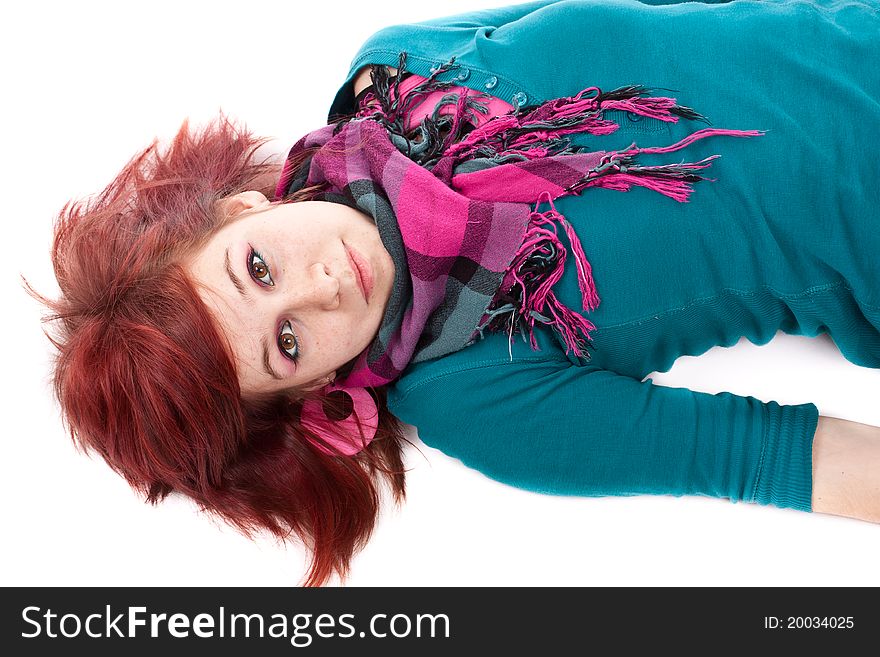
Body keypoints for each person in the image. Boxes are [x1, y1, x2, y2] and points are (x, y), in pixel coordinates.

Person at [32, 0, 880, 587]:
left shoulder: (394, 68)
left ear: (235, 210)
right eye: (285, 342)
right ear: (310, 397)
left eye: (257, 267)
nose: (321, 286)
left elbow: (673, 24)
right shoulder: (473, 396)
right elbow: (764, 456)